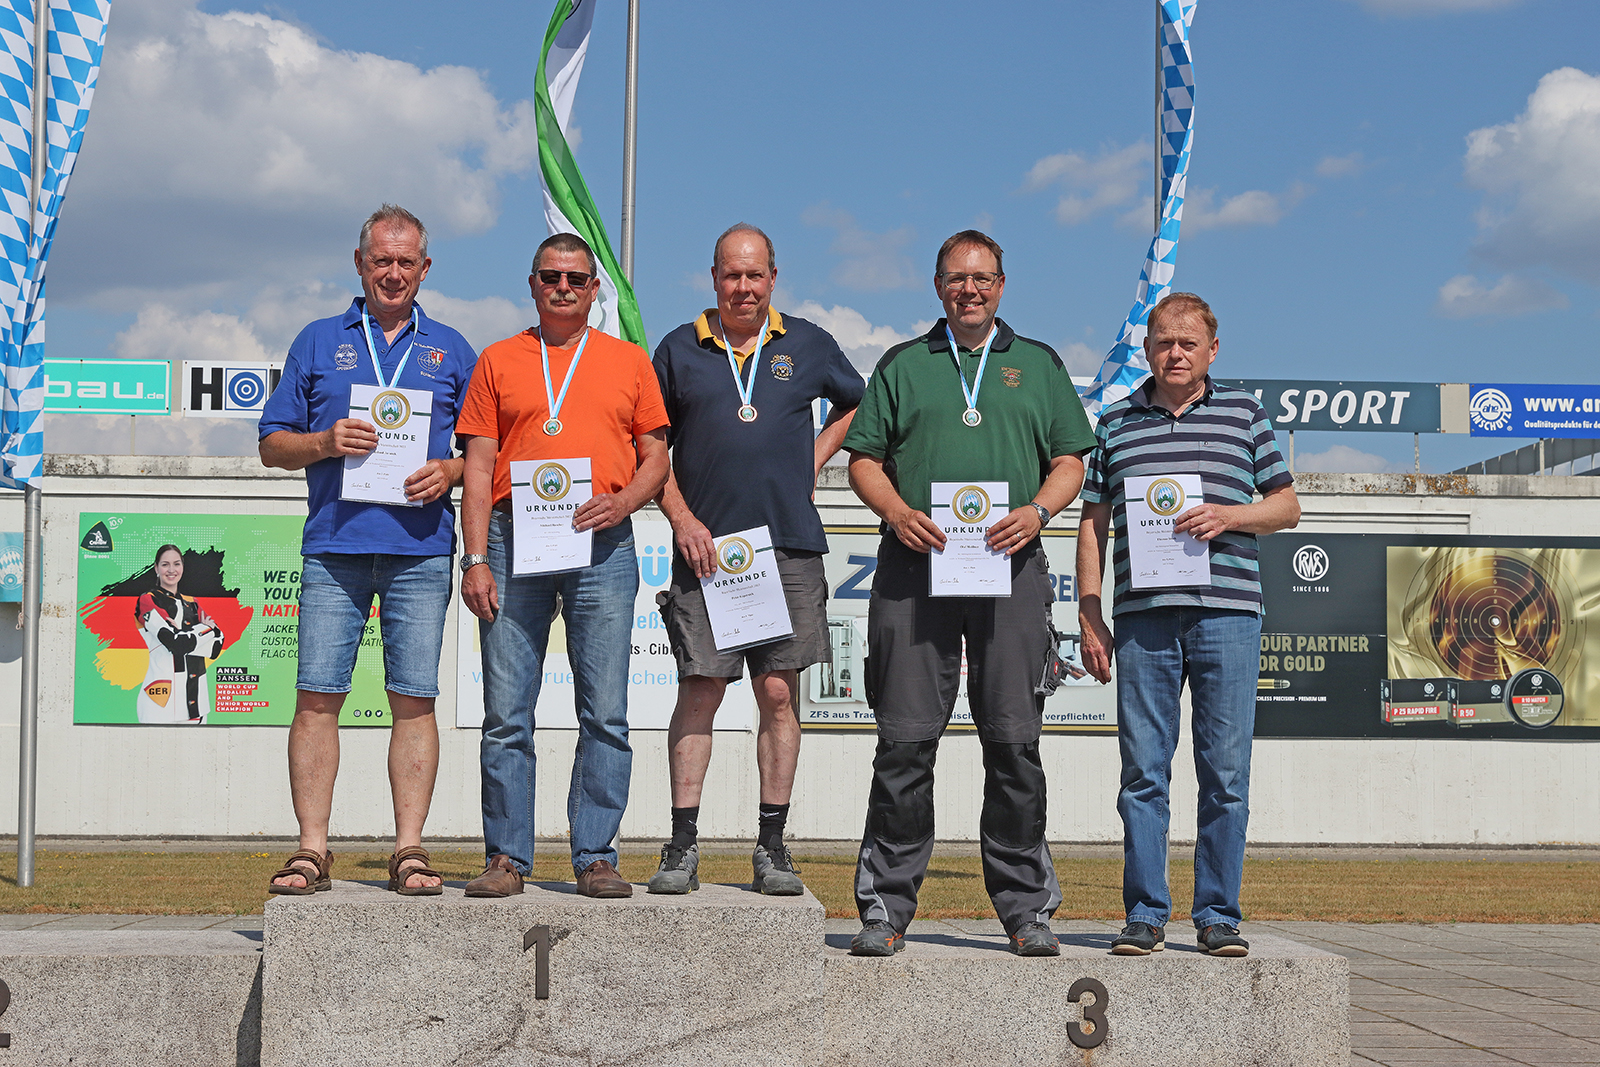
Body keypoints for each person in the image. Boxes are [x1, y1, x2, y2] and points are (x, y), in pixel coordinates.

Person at [841, 230, 1096, 957]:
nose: (970, 289)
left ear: (1002, 285)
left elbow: (1071, 461)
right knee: (904, 745)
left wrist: (1037, 511)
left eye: (982, 278)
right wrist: (897, 512)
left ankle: (1025, 910)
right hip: (913, 573)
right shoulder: (903, 364)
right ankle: (885, 909)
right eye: (957, 278)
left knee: (1014, 745)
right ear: (938, 286)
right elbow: (863, 461)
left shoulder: (1038, 364)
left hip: (1010, 572)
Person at [259, 204, 476, 897]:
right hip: (335, 547)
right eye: (381, 259)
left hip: (421, 550)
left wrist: (451, 470)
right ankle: (311, 849)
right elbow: (271, 445)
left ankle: (408, 849)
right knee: (317, 698)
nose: (393, 272)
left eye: (405, 261)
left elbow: (486, 453)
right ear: (359, 263)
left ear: (425, 268)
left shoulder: (452, 349)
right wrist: (324, 442)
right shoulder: (318, 340)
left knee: (414, 700)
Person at [1076, 292, 1300, 959]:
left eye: (1188, 343)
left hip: (1228, 614)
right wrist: (1089, 608)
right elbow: (1093, 521)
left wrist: (1229, 516)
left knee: (1225, 772)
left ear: (1212, 350)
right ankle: (1145, 914)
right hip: (1142, 619)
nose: (1175, 353)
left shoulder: (1245, 413)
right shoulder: (1114, 423)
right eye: (1164, 342)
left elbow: (1286, 507)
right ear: (1147, 349)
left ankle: (1218, 915)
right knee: (1142, 771)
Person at [647, 224, 865, 896]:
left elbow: (856, 402)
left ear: (773, 277)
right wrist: (682, 519)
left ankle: (772, 846)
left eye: (755, 275)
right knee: (701, 691)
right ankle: (682, 845)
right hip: (707, 552)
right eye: (732, 275)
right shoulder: (678, 348)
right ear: (713, 277)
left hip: (787, 546)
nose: (743, 287)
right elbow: (649, 448)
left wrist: (814, 460)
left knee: (777, 692)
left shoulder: (808, 343)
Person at [455, 232, 670, 899]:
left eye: (576, 278)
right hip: (511, 539)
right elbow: (478, 467)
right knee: (505, 714)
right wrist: (474, 558)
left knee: (605, 711)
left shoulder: (629, 361)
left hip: (602, 545)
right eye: (551, 276)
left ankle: (596, 855)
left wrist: (624, 502)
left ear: (594, 288)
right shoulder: (498, 359)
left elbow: (656, 458)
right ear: (532, 283)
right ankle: (506, 857)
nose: (563, 288)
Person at [135, 544, 224, 724]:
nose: (171, 570)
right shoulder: (148, 600)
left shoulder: (193, 603)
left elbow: (217, 644)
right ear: (156, 568)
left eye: (176, 564)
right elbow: (177, 644)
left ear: (182, 567)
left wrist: (185, 634)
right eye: (165, 564)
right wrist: (202, 630)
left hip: (198, 706)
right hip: (160, 703)